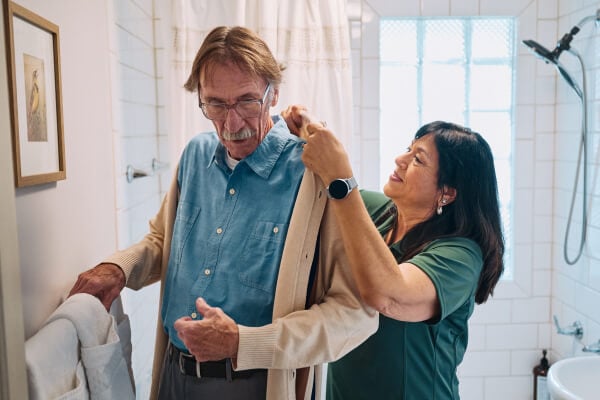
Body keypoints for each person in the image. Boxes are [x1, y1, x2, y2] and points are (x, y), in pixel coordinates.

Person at [68, 26, 377, 400]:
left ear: (274, 94)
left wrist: (243, 343)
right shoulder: (195, 156)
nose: (231, 125)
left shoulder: (312, 175)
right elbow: (164, 241)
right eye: (214, 103)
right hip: (173, 375)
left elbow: (354, 315)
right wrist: (118, 268)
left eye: (247, 101)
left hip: (256, 385)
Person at [297, 117, 504, 399]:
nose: (400, 159)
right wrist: (303, 129)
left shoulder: (461, 255)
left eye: (418, 159)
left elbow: (388, 296)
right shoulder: (378, 213)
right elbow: (314, 185)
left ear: (447, 193)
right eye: (408, 148)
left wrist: (341, 180)